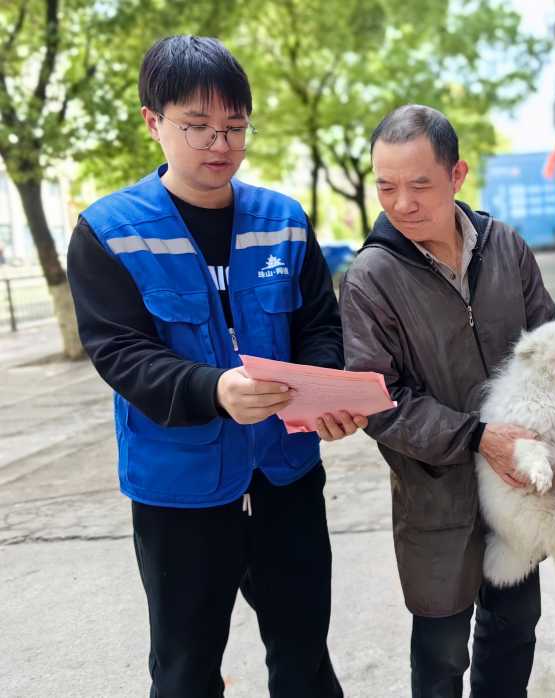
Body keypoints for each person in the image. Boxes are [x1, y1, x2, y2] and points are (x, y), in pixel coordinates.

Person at [67, 35, 364, 698]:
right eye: (197, 126)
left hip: (285, 476)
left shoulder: (283, 221)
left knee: (304, 656)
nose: (219, 144)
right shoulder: (110, 231)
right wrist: (213, 388)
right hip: (180, 491)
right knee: (185, 670)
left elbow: (319, 325)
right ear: (153, 122)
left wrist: (324, 396)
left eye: (234, 127)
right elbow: (120, 351)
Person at [338, 104, 555, 698]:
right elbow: (378, 401)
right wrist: (477, 438)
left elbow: (549, 347)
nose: (402, 204)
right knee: (440, 653)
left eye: (419, 185)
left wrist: (549, 436)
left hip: (516, 487)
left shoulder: (505, 246)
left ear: (457, 175)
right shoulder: (371, 277)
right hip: (435, 493)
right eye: (386, 187)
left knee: (515, 630)